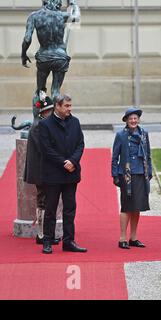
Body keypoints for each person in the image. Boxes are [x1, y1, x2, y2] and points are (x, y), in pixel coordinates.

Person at [38, 94, 86, 254]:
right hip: (53, 174)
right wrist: (64, 163)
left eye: (70, 106)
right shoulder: (45, 124)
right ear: (57, 106)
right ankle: (47, 241)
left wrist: (73, 161)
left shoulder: (75, 122)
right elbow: (46, 149)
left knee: (70, 208)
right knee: (50, 208)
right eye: (66, 106)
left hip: (71, 173)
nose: (69, 109)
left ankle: (68, 241)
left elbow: (80, 144)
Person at [21, 0, 80, 100]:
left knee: (40, 91)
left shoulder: (34, 16)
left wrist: (23, 54)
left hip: (44, 57)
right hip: (60, 57)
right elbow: (77, 17)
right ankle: (54, 115)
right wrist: (73, 4)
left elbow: (27, 39)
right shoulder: (63, 15)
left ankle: (40, 114)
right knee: (56, 91)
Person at [112, 107, 152, 249]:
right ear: (126, 121)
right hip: (127, 176)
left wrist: (150, 172)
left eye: (135, 118)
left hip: (141, 174)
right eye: (131, 119)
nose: (133, 121)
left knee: (137, 207)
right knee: (127, 206)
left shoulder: (144, 134)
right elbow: (115, 157)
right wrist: (115, 174)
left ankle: (133, 237)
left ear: (138, 120)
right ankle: (122, 237)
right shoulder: (121, 136)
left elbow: (148, 155)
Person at [23, 91, 58, 245]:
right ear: (43, 112)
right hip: (40, 170)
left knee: (46, 200)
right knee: (42, 201)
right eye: (49, 111)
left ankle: (46, 234)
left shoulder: (41, 125)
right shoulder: (39, 127)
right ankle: (41, 235)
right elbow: (45, 149)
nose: (51, 113)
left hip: (43, 169)